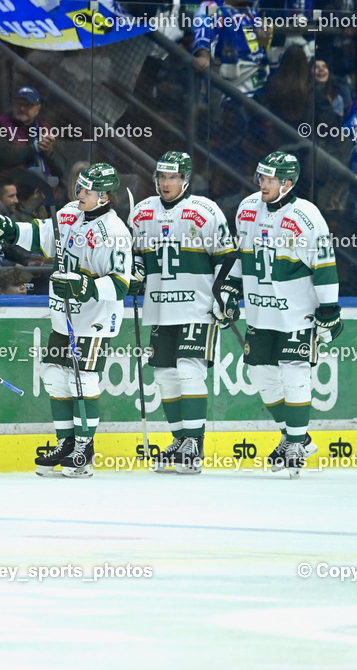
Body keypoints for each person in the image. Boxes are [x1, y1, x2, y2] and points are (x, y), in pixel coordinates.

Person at [0, 163, 132, 478]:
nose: (80, 193)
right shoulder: (71, 212)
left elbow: (120, 284)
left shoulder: (115, 232)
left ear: (104, 196)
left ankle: (84, 451)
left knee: (83, 379)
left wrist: (84, 286)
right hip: (65, 315)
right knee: (55, 377)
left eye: (88, 189)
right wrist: (7, 228)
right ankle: (66, 443)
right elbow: (40, 233)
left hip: (95, 319)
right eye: (80, 186)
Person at [224, 152, 340, 477]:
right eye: (261, 178)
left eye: (270, 180)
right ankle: (297, 437)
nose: (263, 184)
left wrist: (329, 308)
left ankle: (293, 444)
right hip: (261, 313)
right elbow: (242, 253)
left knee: (294, 374)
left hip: (298, 314)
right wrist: (231, 288)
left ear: (287, 184)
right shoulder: (247, 209)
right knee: (259, 376)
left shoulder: (307, 216)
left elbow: (325, 266)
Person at [129, 151, 235, 473]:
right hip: (160, 309)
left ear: (185, 180)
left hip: (196, 308)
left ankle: (195, 443)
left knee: (189, 370)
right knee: (164, 375)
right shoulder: (142, 213)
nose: (165, 183)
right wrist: (135, 275)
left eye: (172, 177)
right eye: (161, 176)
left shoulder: (204, 211)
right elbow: (135, 256)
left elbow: (227, 257)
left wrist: (226, 295)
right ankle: (179, 439)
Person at [192, 0, 271, 96]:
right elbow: (203, 32)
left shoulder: (248, 11)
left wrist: (263, 36)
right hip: (232, 81)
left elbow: (259, 41)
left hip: (257, 78)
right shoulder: (212, 7)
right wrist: (204, 56)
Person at [0, 86, 67, 184]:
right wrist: (34, 148)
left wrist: (50, 152)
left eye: (27, 105)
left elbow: (62, 168)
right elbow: (0, 154)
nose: (22, 108)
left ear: (37, 109)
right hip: (12, 188)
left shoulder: (46, 129)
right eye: (18, 104)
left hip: (44, 191)